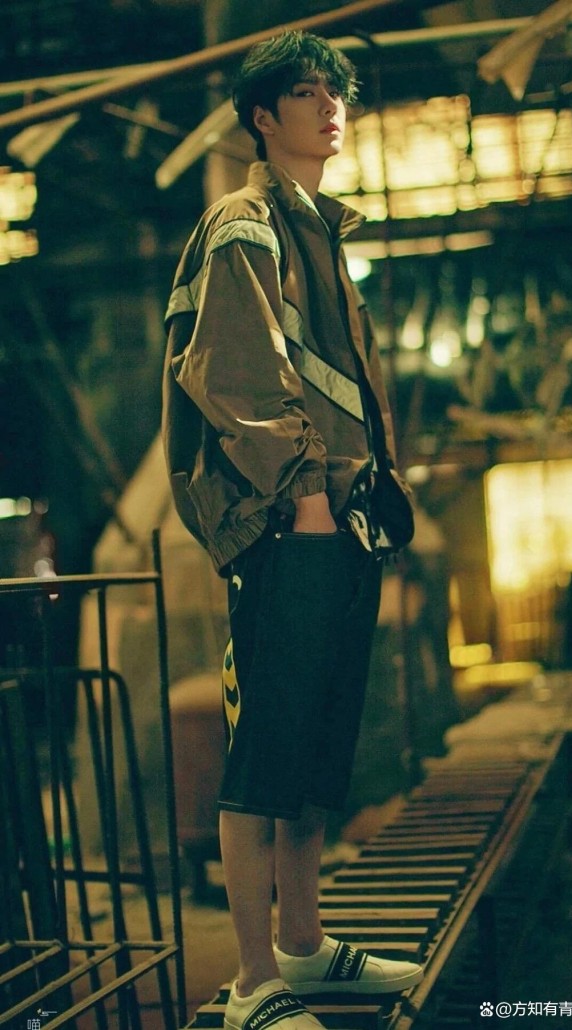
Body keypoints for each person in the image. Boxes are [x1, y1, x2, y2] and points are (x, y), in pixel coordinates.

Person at [162, 29, 421, 1030]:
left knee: (314, 750)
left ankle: (305, 949)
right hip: (288, 520)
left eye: (335, 92)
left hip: (340, 518)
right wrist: (305, 492)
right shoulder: (246, 224)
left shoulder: (316, 230)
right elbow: (238, 373)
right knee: (267, 754)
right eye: (308, 93)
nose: (330, 106)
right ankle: (252, 983)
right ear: (264, 119)